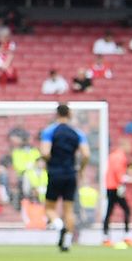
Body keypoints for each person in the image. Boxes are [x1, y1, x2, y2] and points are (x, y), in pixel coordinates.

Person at [39, 104, 88, 251]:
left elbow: (45, 152)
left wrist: (50, 161)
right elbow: (86, 154)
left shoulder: (50, 131)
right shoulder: (77, 133)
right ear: (69, 114)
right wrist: (81, 169)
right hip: (70, 173)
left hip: (55, 172)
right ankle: (67, 242)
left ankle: (59, 225)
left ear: (57, 114)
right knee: (69, 209)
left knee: (49, 207)